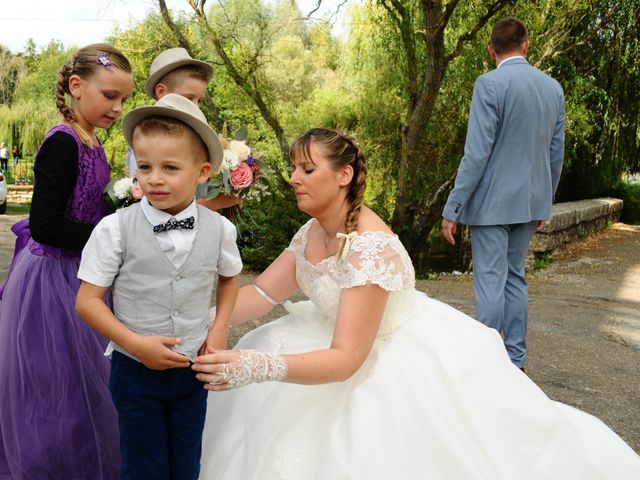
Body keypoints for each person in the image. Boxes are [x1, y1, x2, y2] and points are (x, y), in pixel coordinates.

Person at [191, 128, 640, 479]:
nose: (294, 178)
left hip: (380, 356)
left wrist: (254, 366)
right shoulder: (311, 234)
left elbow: (347, 359)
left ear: (343, 175)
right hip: (331, 339)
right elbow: (261, 294)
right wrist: (201, 319)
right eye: (293, 168)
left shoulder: (369, 247)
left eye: (307, 169)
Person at [76, 93, 242, 479]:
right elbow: (87, 302)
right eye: (145, 166)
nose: (154, 178)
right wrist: (134, 345)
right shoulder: (115, 229)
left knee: (187, 464)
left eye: (170, 167)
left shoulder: (220, 229)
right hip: (135, 372)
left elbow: (231, 276)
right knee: (143, 466)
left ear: (202, 173)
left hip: (192, 369)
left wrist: (218, 329)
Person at [0, 43, 133, 479]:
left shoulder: (92, 140)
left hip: (81, 273)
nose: (117, 107)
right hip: (51, 281)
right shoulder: (63, 143)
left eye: (124, 99)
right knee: (54, 385)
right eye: (109, 95)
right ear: (77, 87)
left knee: (86, 386)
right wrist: (111, 234)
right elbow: (46, 225)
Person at [441, 17, 565, 371]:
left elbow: (477, 153)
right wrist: (544, 201)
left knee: (491, 283)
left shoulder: (489, 85)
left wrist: (453, 207)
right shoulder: (553, 88)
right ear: (526, 46)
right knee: (514, 279)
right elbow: (555, 153)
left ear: (490, 49)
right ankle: (515, 362)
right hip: (528, 204)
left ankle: (487, 366)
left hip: (491, 206)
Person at [127, 47, 239, 212]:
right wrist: (214, 203)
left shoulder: (198, 134)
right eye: (188, 98)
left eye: (199, 100)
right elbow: (148, 199)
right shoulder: (144, 137)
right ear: (161, 91)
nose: (195, 106)